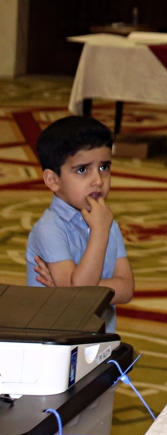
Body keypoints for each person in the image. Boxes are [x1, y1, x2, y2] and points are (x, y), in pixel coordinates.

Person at [26, 116, 134, 333]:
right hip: (54, 343)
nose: (98, 180)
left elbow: (126, 289)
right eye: (83, 170)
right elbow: (78, 297)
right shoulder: (49, 229)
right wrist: (100, 231)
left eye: (104, 167)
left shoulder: (105, 221)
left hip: (99, 340)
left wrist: (71, 288)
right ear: (52, 180)